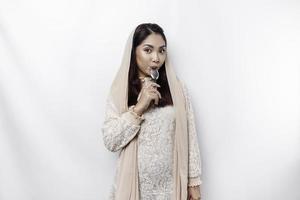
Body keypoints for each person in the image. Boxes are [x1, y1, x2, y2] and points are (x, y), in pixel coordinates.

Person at [101, 23, 202, 200]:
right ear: (134, 51)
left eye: (161, 51)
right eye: (148, 50)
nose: (156, 58)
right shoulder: (121, 90)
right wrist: (139, 108)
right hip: (135, 187)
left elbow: (190, 135)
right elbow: (111, 141)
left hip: (171, 187)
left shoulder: (177, 89)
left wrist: (193, 182)